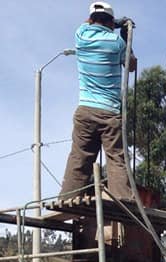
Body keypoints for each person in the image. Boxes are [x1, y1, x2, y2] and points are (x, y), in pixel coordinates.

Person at [59, 2, 137, 200]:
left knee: (79, 157)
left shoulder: (81, 36)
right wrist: (126, 37)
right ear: (110, 22)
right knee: (116, 158)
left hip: (85, 111)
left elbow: (87, 23)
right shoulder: (116, 43)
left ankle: (67, 198)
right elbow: (131, 66)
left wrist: (113, 23)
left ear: (92, 19)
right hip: (110, 113)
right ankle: (122, 200)